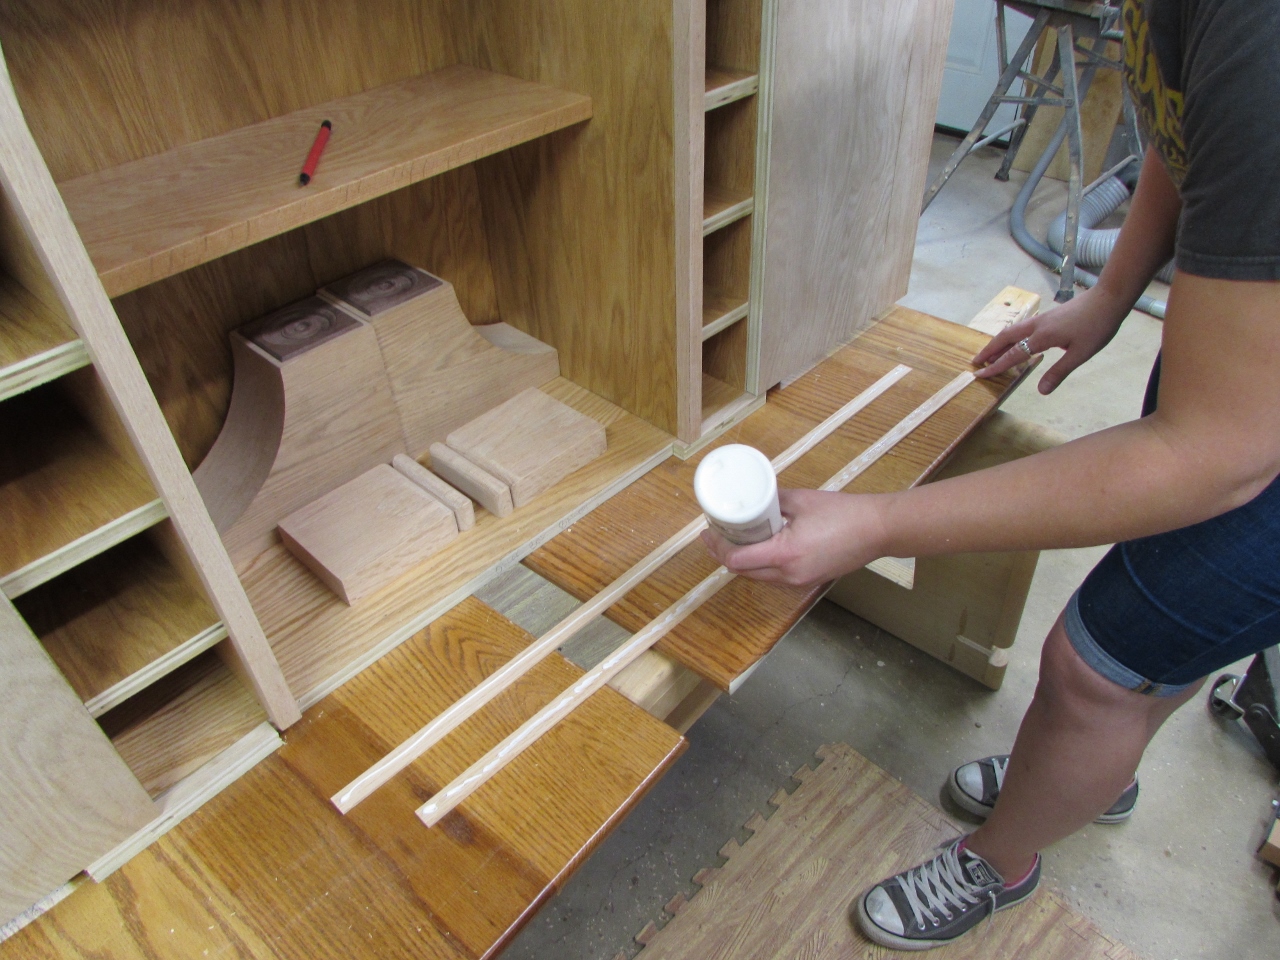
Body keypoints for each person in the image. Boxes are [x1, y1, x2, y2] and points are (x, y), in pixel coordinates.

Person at [700, 0, 1280, 949]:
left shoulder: (1264, 44)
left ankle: (1002, 859)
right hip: (1253, 383)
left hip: (1249, 434)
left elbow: (1209, 454)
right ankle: (1093, 768)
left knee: (1092, 673)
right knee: (1157, 649)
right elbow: (1188, 136)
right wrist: (1109, 294)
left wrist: (878, 524)